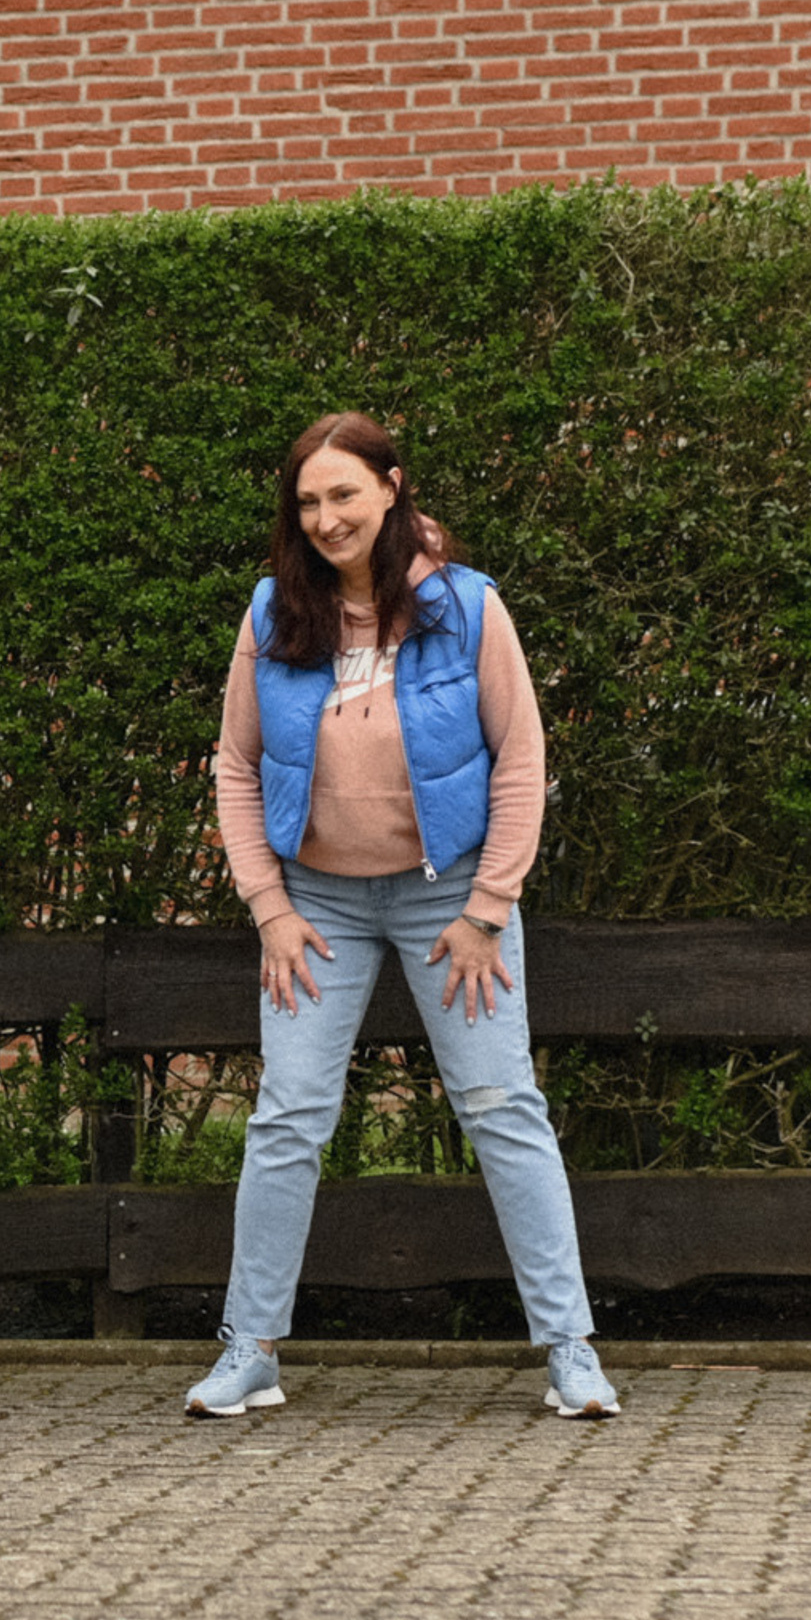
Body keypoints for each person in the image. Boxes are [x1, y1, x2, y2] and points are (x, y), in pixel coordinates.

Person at [186, 410, 620, 1423]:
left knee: (502, 1106)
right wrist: (270, 909)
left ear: (390, 487)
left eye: (344, 493)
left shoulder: (466, 609)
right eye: (307, 500)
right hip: (318, 903)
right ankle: (247, 1351)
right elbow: (234, 766)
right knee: (287, 1115)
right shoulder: (273, 615)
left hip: (451, 899)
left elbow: (521, 761)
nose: (326, 516)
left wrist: (485, 908)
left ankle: (571, 1351)